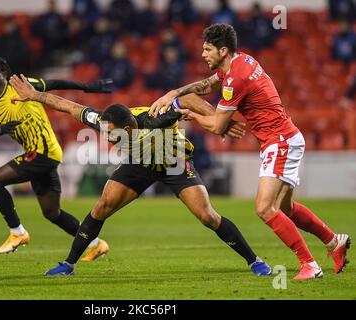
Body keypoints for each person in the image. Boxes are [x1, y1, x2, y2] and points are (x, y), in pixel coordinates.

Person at [9, 73, 272, 277]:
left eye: (113, 134)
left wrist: (218, 120)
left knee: (207, 216)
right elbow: (67, 105)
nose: (109, 138)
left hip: (173, 161)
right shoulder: (102, 120)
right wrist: (34, 95)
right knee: (102, 207)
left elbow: (190, 99)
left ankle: (255, 261)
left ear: (129, 127)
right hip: (140, 163)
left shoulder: (155, 117)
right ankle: (68, 264)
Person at [148, 24, 351, 280]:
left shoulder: (235, 79)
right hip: (283, 138)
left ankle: (309, 264)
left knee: (265, 208)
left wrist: (190, 115)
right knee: (285, 209)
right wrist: (175, 93)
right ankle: (334, 242)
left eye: (208, 49)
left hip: (280, 142)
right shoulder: (242, 61)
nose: (203, 54)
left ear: (223, 50)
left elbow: (218, 126)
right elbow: (206, 85)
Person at [0, 57, 113, 260]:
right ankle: (96, 244)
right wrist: (1, 129)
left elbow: (56, 84)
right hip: (40, 155)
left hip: (43, 151)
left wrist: (86, 87)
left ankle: (17, 232)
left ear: (4, 73)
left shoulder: (22, 85)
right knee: (52, 213)